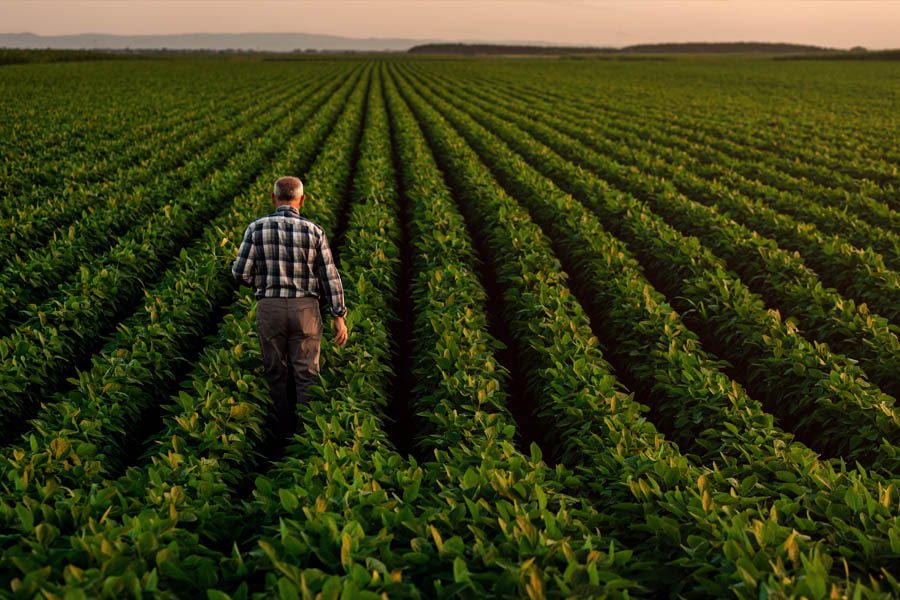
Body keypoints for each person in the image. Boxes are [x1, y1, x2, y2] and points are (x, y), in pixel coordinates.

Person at [231, 176, 348, 443]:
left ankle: (279, 432)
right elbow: (330, 276)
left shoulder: (256, 229)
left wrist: (259, 280)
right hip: (305, 309)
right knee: (307, 373)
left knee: (275, 371)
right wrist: (338, 315)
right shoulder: (314, 231)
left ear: (273, 199)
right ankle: (307, 435)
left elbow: (239, 273)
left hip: (270, 306)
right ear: (302, 200)